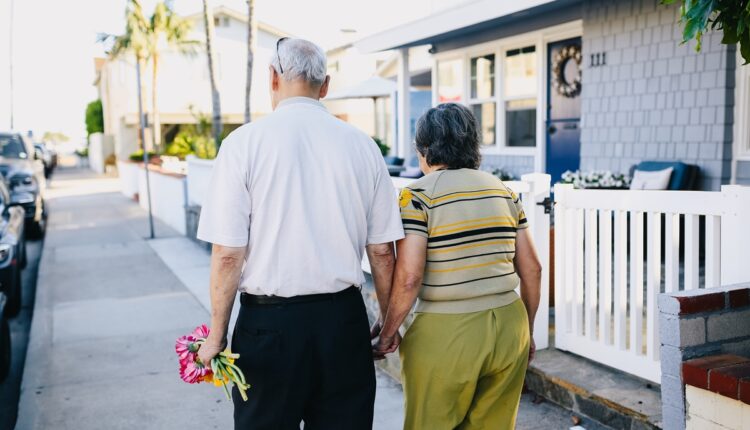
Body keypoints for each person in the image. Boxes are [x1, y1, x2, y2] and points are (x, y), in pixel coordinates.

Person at [196, 38, 404, 430]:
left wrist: (216, 333)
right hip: (342, 322)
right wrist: (387, 324)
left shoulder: (243, 144)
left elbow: (227, 254)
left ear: (272, 78)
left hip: (268, 327)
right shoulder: (363, 146)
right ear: (324, 85)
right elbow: (382, 252)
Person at [373, 103, 542, 430]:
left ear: (424, 150)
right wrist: (528, 333)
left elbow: (409, 278)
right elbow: (532, 269)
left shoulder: (417, 196)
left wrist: (387, 333)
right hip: (510, 326)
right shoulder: (504, 191)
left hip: (447, 333)